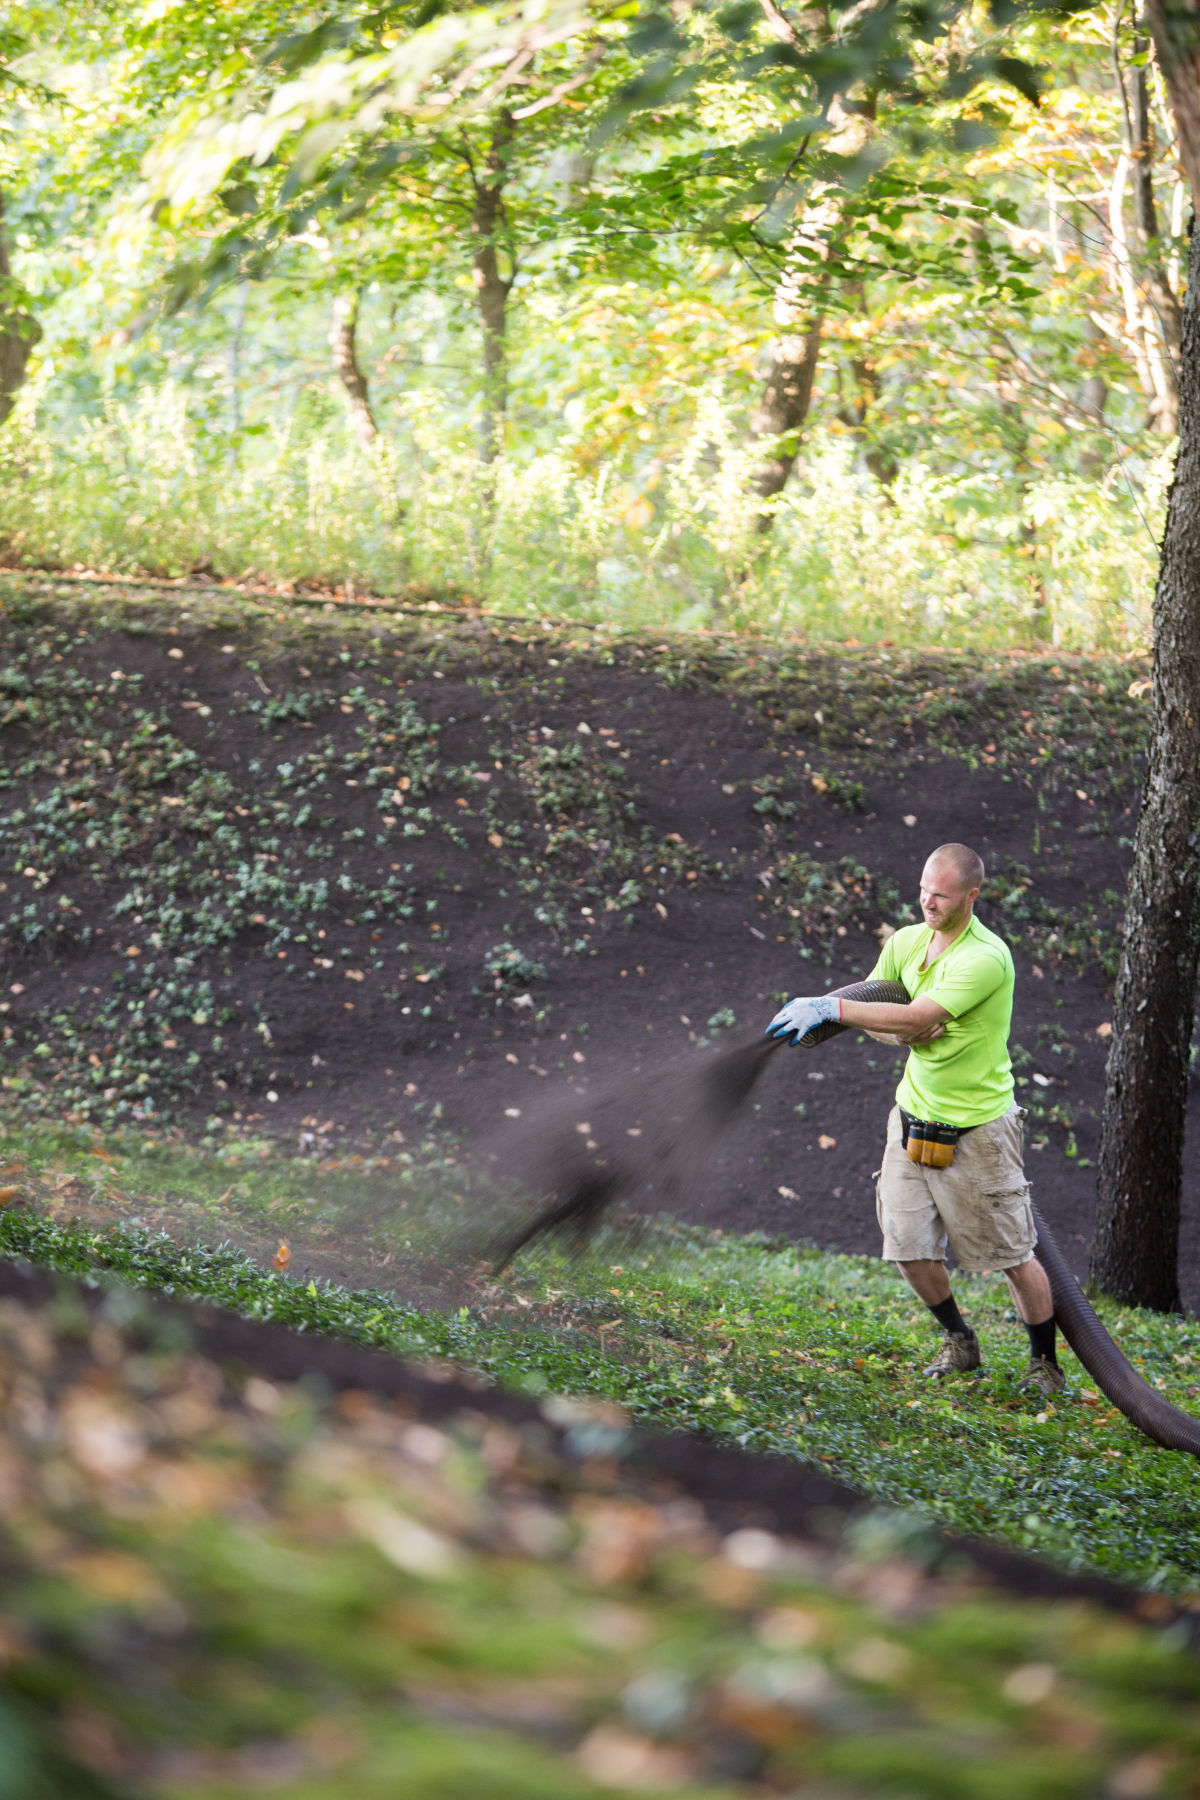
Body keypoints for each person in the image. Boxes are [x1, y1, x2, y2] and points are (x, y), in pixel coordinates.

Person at [766, 841, 1064, 1397]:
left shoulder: (984, 958)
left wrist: (836, 1008)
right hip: (911, 1119)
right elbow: (882, 1013)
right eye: (924, 891)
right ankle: (960, 1341)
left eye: (941, 896)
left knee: (1012, 1256)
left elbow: (910, 1016)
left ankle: (1044, 1364)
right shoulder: (906, 942)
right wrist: (895, 1027)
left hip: (979, 1129)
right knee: (907, 1247)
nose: (927, 902)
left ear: (971, 896)